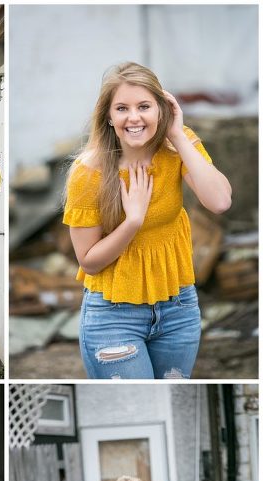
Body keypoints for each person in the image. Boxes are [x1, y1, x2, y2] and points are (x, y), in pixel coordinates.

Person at [63, 62, 232, 379]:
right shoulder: (88, 174)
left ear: (162, 109)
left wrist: (178, 136)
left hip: (178, 306)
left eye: (144, 106)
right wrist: (132, 222)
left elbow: (220, 201)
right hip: (114, 314)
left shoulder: (178, 148)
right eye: (122, 108)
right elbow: (89, 262)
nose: (134, 117)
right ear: (109, 117)